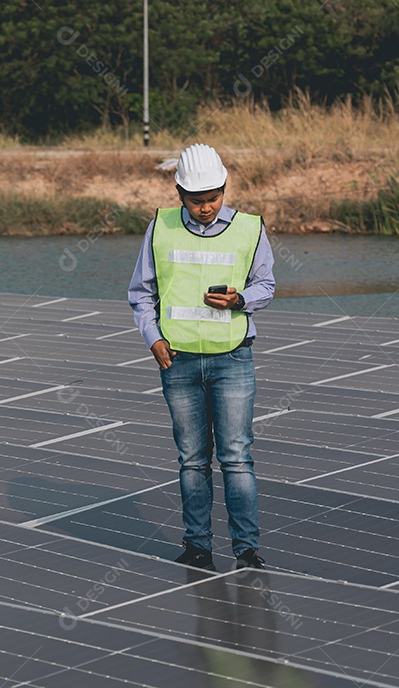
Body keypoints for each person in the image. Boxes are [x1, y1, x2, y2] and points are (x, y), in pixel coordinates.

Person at [128, 143, 275, 571]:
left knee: (236, 458)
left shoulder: (251, 228)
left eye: (214, 197)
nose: (206, 207)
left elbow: (266, 285)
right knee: (192, 459)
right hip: (178, 362)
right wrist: (152, 338)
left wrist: (240, 299)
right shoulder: (160, 229)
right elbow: (141, 294)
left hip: (233, 360)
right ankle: (198, 546)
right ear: (179, 194)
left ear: (225, 188)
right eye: (197, 200)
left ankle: (246, 551)